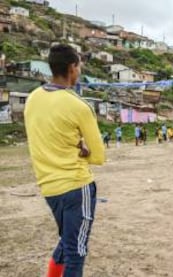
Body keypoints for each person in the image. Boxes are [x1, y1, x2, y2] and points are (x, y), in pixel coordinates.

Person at [24, 44, 105, 277]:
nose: (79, 71)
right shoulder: (79, 105)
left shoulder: (33, 99)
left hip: (49, 188)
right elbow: (99, 157)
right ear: (72, 68)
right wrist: (85, 148)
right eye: (79, 66)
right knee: (75, 253)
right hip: (77, 187)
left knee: (67, 241)